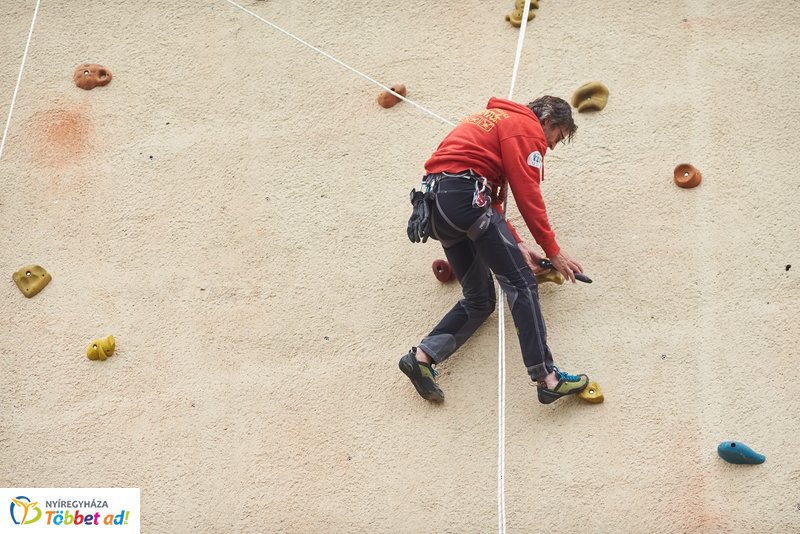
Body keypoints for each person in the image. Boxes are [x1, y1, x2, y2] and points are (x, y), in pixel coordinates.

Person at [400, 95, 590, 405]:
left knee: (480, 300)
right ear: (548, 121)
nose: (551, 147)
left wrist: (517, 245)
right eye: (556, 138)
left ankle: (422, 358)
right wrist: (552, 249)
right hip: (466, 197)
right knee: (522, 284)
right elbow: (527, 192)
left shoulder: (495, 121)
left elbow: (493, 202)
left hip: (438, 208)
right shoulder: (525, 126)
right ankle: (549, 379)